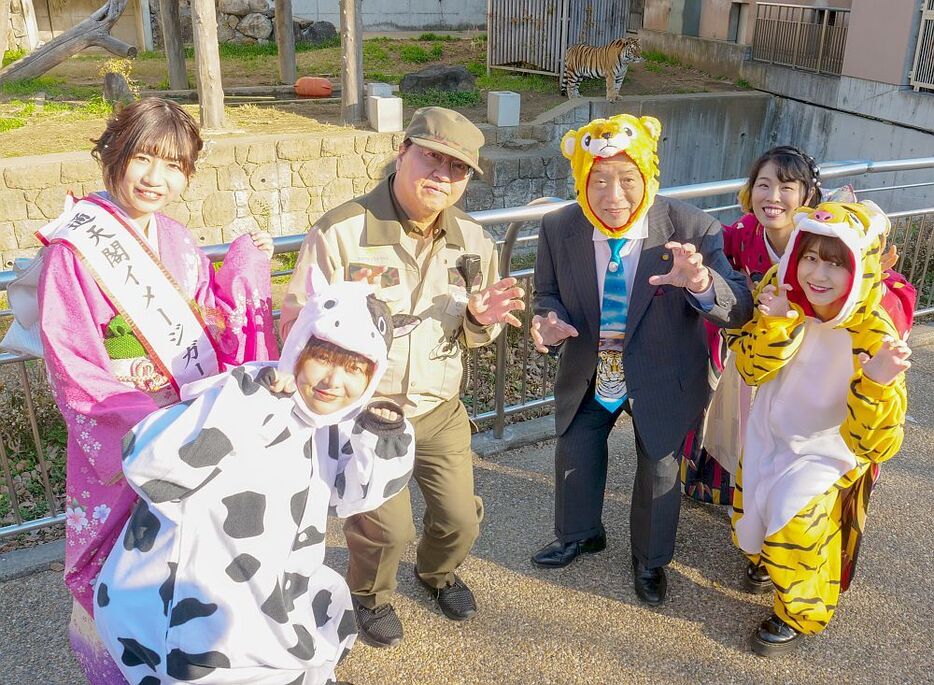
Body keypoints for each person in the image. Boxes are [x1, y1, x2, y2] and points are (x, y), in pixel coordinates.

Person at [37, 98, 277, 683]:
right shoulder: (74, 251)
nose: (156, 178)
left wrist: (244, 267)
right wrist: (148, 423)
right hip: (125, 437)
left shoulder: (178, 239)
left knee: (189, 561)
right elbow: (74, 361)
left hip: (190, 430)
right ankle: (119, 668)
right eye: (143, 157)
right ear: (113, 155)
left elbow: (213, 325)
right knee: (121, 563)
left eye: (174, 165)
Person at [280, 107, 524, 647]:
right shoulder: (343, 230)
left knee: (461, 520)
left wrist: (479, 320)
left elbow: (479, 325)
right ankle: (370, 596)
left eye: (458, 169)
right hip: (367, 414)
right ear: (401, 152)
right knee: (386, 530)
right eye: (431, 158)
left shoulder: (471, 240)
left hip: (440, 407)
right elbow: (296, 323)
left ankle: (436, 573)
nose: (442, 175)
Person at [93, 281, 416, 685]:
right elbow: (149, 467)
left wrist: (381, 436)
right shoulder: (248, 390)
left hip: (281, 596)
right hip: (194, 599)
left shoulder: (340, 419)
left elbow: (356, 496)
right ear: (299, 348)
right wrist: (249, 402)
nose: (333, 380)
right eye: (322, 357)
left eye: (354, 368)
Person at [528, 113, 753, 606]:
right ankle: (581, 533)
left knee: (659, 469)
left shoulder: (694, 228)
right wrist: (547, 319)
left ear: (649, 178)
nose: (613, 198)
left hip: (662, 370)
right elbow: (545, 293)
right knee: (575, 452)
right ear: (581, 180)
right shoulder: (558, 226)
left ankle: (650, 561)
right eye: (599, 180)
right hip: (591, 367)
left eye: (627, 181)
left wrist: (698, 283)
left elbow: (738, 309)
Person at [681, 148, 916, 506]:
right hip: (765, 350)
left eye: (787, 187)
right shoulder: (744, 232)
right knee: (747, 426)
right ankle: (746, 500)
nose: (773, 197)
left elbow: (888, 291)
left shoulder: (827, 235)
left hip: (816, 360)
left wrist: (875, 279)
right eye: (763, 185)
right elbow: (708, 255)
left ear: (807, 195)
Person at [727, 200, 910, 655]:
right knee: (753, 517)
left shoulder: (874, 331)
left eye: (836, 263)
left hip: (829, 449)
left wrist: (877, 383)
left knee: (794, 519)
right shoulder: (781, 290)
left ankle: (801, 612)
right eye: (810, 257)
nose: (818, 275)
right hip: (769, 431)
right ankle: (766, 559)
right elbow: (750, 369)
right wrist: (773, 324)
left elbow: (878, 443)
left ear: (860, 269)